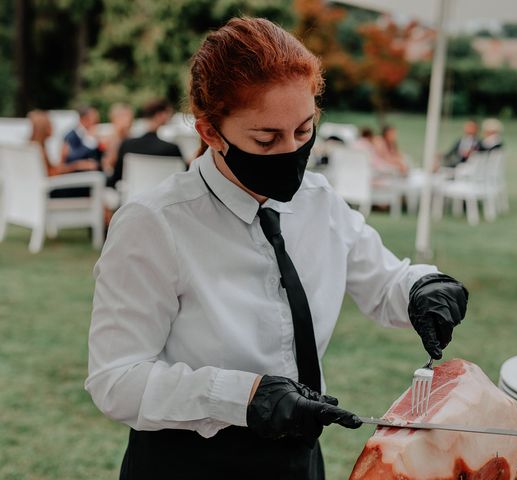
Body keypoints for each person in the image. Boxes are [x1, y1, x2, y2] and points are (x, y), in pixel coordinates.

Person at [85, 17, 468, 480]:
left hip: (301, 458)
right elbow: (116, 380)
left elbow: (383, 281)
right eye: (266, 139)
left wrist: (421, 287)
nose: (291, 152)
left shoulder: (319, 199)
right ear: (210, 132)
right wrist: (244, 397)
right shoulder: (154, 224)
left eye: (304, 132)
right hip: (193, 462)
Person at [107, 98, 183, 188]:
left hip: (134, 197)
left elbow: (116, 178)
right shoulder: (172, 149)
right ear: (160, 115)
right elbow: (182, 176)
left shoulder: (127, 145)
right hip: (165, 198)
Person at [59, 105, 102, 174]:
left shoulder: (94, 135)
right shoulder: (70, 136)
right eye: (93, 119)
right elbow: (71, 158)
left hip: (94, 173)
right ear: (83, 119)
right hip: (77, 175)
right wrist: (90, 141)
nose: (96, 122)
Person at [101, 103, 134, 175]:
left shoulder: (133, 139)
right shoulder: (109, 140)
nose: (125, 120)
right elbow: (107, 165)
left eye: (127, 116)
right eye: (121, 117)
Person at [27, 109, 56, 176]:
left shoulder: (30, 147)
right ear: (43, 128)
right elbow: (49, 174)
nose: (53, 127)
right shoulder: (38, 150)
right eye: (50, 124)